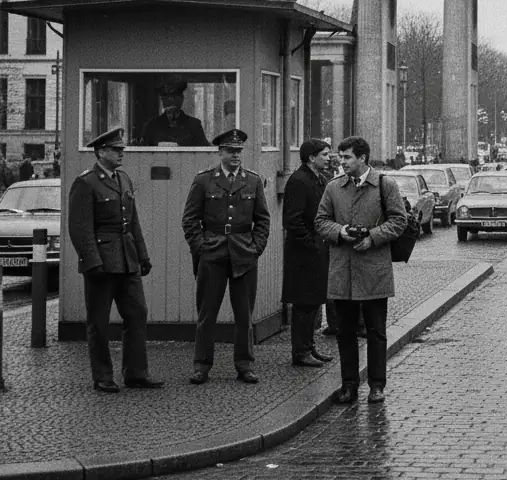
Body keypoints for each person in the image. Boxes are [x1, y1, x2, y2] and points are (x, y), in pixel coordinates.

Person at [67, 127, 163, 392]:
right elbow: (80, 227)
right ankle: (102, 376)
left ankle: (136, 373)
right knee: (98, 321)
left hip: (127, 258)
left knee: (137, 313)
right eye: (116, 149)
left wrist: (142, 255)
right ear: (100, 152)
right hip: (101, 262)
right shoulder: (86, 183)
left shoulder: (124, 179)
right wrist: (92, 261)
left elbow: (133, 222)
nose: (121, 153)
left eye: (122, 149)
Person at [315, 135, 407, 405]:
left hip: (374, 270)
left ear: (362, 158)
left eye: (347, 157)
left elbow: (398, 221)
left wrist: (373, 238)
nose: (341, 162)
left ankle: (377, 386)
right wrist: (340, 231)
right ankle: (349, 386)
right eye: (340, 157)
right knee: (345, 333)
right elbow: (320, 221)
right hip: (343, 270)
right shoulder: (333, 188)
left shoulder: (383, 185)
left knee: (376, 331)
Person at [181, 129, 270, 385]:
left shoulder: (252, 181)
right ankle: (201, 365)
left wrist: (255, 248)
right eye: (230, 151)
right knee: (207, 314)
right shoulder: (204, 181)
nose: (235, 156)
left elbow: (263, 220)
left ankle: (245, 365)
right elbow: (190, 220)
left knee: (244, 315)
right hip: (213, 252)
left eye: (239, 151)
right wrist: (201, 247)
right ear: (219, 152)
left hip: (244, 254)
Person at [283, 139, 334, 368]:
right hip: (303, 254)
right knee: (304, 304)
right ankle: (301, 351)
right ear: (311, 157)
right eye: (324, 154)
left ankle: (309, 346)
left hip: (317, 250)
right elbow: (292, 220)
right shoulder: (299, 180)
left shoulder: (319, 179)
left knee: (313, 302)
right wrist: (312, 244)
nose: (328, 157)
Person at [141, 77, 209, 147]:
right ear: (162, 100)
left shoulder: (194, 125)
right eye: (167, 97)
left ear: (181, 99)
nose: (171, 100)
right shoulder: (151, 126)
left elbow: (205, 152)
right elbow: (142, 153)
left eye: (175, 97)